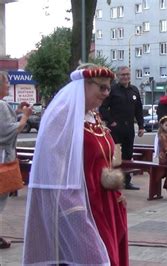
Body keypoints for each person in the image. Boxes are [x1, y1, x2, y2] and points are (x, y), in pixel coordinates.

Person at [23, 65, 128, 265]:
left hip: (105, 203)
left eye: (109, 88)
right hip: (81, 205)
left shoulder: (93, 116)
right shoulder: (62, 118)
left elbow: (103, 158)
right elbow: (53, 171)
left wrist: (115, 187)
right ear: (84, 86)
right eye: (102, 88)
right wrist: (73, 210)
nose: (106, 93)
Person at [0, 71, 32, 249]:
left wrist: (18, 112)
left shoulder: (3, 106)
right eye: (6, 83)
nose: (8, 86)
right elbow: (8, 131)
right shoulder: (1, 105)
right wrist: (26, 116)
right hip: (2, 159)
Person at [100, 66, 145, 190]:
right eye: (122, 75)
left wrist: (141, 126)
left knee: (128, 154)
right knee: (116, 156)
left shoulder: (134, 90)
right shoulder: (113, 90)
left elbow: (139, 110)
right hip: (116, 129)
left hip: (129, 129)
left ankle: (127, 181)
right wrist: (111, 121)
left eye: (127, 74)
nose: (125, 77)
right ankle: (114, 181)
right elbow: (102, 107)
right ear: (118, 76)